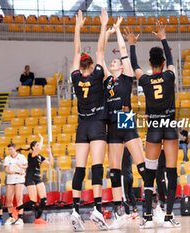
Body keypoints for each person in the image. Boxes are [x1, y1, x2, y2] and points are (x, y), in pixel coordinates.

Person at [125, 21, 180, 228]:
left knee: (150, 170)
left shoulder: (145, 80)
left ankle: (147, 217)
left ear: (150, 62)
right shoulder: (169, 75)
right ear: (163, 63)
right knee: (171, 171)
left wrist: (131, 44)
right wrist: (163, 37)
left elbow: (134, 66)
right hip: (170, 126)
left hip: (154, 128)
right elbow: (172, 61)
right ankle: (168, 216)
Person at [103, 17, 145, 230]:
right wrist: (104, 31)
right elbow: (99, 56)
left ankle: (151, 207)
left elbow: (122, 49)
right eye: (112, 63)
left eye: (116, 62)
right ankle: (119, 212)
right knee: (114, 171)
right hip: (112, 123)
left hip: (126, 118)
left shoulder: (127, 76)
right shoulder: (107, 80)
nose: (113, 63)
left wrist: (117, 30)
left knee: (142, 165)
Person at [70, 9, 109, 232]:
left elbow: (76, 52)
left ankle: (75, 211)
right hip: (96, 125)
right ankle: (97, 209)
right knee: (97, 167)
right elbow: (100, 49)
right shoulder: (97, 75)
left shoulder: (75, 77)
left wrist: (78, 27)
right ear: (92, 66)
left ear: (80, 67)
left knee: (79, 169)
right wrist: (103, 25)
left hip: (81, 126)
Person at [14, 135, 53, 224]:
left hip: (37, 177)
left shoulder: (40, 156)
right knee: (33, 201)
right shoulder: (31, 154)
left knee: (44, 199)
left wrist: (50, 152)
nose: (39, 147)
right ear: (33, 147)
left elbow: (50, 162)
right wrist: (42, 139)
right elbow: (37, 150)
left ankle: (38, 218)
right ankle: (16, 209)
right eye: (37, 145)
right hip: (30, 178)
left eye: (39, 145)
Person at [4, 143, 27, 225]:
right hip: (10, 179)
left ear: (15, 149)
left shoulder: (21, 157)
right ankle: (11, 217)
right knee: (9, 199)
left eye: (11, 149)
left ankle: (20, 218)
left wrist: (20, 167)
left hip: (19, 179)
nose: (10, 151)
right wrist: (15, 171)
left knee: (19, 199)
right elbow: (6, 170)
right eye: (9, 149)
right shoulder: (7, 158)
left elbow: (26, 166)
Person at [121, 147, 139, 220]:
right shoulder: (130, 152)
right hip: (130, 175)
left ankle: (127, 213)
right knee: (131, 193)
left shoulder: (122, 150)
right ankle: (135, 212)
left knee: (125, 195)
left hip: (124, 176)